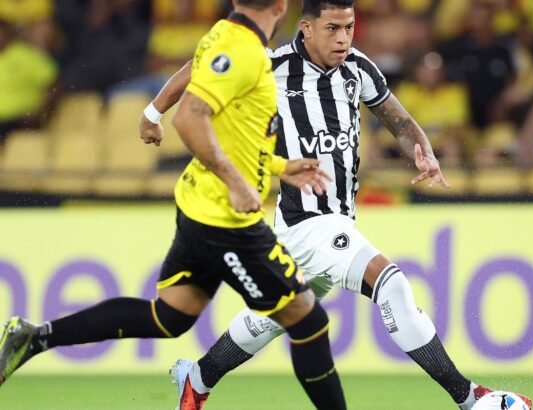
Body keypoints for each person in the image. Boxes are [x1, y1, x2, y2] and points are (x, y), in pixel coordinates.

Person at [139, 1, 533, 409]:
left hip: (329, 220)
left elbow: (397, 118)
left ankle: (198, 378)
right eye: (333, 28)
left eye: (349, 27)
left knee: (275, 315)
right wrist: (153, 113)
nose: (343, 38)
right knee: (390, 284)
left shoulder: (358, 68)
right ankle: (471, 398)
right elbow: (200, 68)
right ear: (307, 28)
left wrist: (423, 151)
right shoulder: (271, 65)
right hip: (307, 218)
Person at [0, 1, 348, 410]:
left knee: (170, 316)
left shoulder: (225, 34)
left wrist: (278, 166)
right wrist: (237, 183)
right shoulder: (242, 50)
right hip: (225, 219)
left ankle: (34, 337)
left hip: (199, 205)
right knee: (308, 320)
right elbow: (190, 119)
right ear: (282, 6)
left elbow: (231, 127)